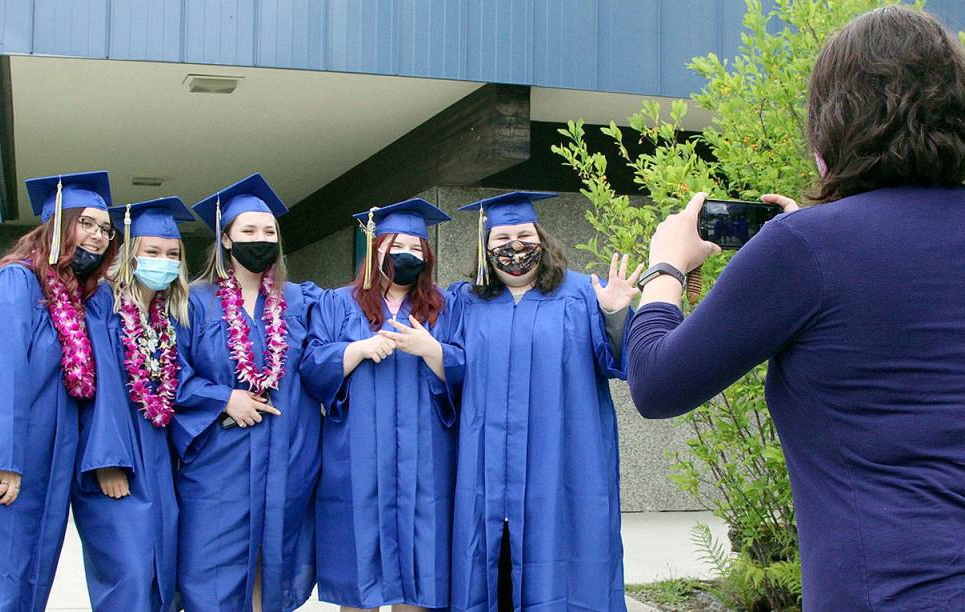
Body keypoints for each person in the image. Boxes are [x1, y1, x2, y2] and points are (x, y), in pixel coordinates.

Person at [625, 6, 965, 610]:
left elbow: (657, 383)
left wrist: (666, 268)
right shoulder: (813, 246)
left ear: (834, 120)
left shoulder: (806, 248)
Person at [447, 191, 641, 611]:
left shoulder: (583, 292)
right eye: (501, 238)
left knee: (561, 553)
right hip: (487, 466)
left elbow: (617, 362)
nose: (513, 246)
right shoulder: (465, 301)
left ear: (542, 239)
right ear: (485, 248)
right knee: (493, 562)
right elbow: (448, 369)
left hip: (560, 462)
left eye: (523, 235)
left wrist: (615, 314)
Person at [0, 171, 116, 611]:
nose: (98, 236)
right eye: (87, 223)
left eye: (105, 228)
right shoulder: (14, 283)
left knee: (26, 576)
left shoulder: (73, 302)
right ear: (56, 226)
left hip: (44, 467)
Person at [300, 198, 465, 611]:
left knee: (418, 580)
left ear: (427, 256)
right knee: (360, 578)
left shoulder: (445, 306)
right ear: (375, 249)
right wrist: (355, 350)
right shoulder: (339, 302)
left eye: (415, 248)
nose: (405, 255)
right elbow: (312, 366)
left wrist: (433, 351)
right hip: (357, 461)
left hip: (424, 462)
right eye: (396, 246)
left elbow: (469, 371)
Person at [174, 173, 322, 611]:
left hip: (286, 457)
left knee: (271, 565)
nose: (261, 240)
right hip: (219, 463)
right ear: (226, 239)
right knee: (211, 569)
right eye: (249, 230)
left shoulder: (301, 301)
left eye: (269, 232)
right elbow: (171, 372)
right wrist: (224, 398)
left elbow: (325, 357)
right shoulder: (193, 302)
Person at [71, 197, 195, 611]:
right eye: (153, 251)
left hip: (157, 454)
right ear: (130, 255)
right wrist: (107, 461)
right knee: (129, 572)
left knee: (160, 570)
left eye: (173, 255)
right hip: (116, 453)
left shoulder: (164, 315)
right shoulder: (103, 304)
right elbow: (102, 384)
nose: (164, 261)